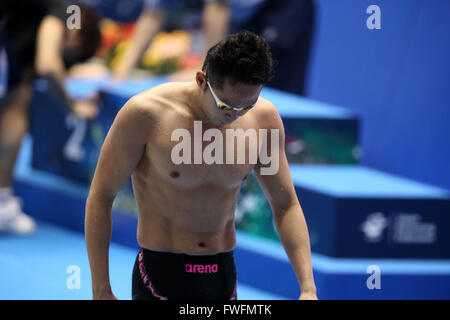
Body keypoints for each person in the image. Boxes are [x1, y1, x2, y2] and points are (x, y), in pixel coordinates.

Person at [85, 31, 317, 300]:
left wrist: (308, 288)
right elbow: (101, 197)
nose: (235, 116)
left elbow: (285, 205)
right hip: (160, 275)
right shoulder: (146, 114)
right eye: (226, 106)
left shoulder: (263, 120)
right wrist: (101, 289)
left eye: (247, 106)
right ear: (201, 79)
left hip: (221, 275)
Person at [0, 0, 101, 234]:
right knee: (17, 99)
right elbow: (48, 64)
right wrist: (71, 106)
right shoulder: (65, 8)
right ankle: (3, 203)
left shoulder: (27, 18)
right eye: (75, 52)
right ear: (76, 32)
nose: (67, 56)